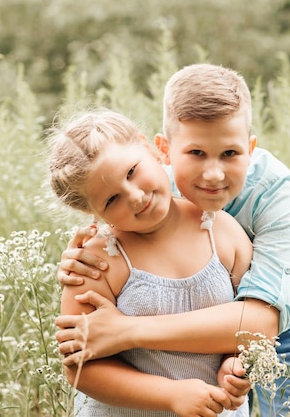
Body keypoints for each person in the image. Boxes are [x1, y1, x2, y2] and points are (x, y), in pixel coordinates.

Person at [56, 63, 290, 416]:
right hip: (209, 331)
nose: (213, 174)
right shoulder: (147, 189)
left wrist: (235, 360)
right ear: (164, 150)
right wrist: (81, 257)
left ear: (250, 148)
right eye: (196, 153)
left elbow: (259, 325)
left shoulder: (276, 197)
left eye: (230, 154)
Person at [47, 108, 256, 416]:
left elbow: (251, 323)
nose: (133, 196)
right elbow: (81, 370)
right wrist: (171, 395)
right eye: (111, 200)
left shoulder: (222, 232)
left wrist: (235, 363)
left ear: (150, 149)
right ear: (92, 211)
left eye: (131, 172)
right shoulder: (95, 263)